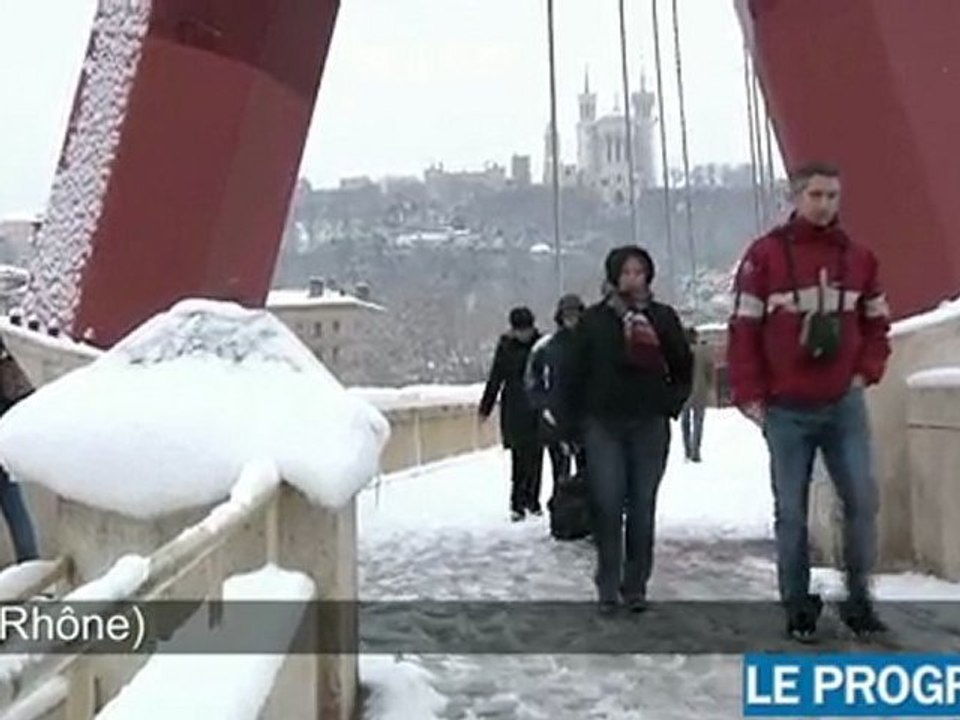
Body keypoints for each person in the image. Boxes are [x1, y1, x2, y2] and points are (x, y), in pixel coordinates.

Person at [727, 161, 892, 640]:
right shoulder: (764, 258)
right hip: (786, 408)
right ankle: (798, 606)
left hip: (843, 403)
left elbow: (878, 321)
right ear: (795, 197)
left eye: (833, 196)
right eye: (816, 195)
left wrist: (867, 371)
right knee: (792, 513)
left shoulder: (860, 260)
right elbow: (743, 331)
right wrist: (751, 394)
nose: (824, 205)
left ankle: (859, 600)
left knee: (862, 500)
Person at [562, 246, 693, 613]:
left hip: (649, 423)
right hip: (603, 423)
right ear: (614, 277)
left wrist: (671, 402)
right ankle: (607, 584)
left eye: (640, 272)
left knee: (642, 505)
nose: (633, 279)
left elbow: (682, 365)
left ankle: (635, 585)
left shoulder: (663, 317)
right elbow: (573, 373)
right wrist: (573, 424)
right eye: (627, 272)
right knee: (607, 503)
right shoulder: (594, 321)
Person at [479, 306, 544, 521]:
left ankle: (533, 501)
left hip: (537, 407)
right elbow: (496, 378)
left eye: (525, 329)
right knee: (519, 458)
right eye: (519, 330)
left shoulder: (541, 346)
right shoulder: (506, 347)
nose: (522, 334)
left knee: (535, 456)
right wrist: (485, 408)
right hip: (514, 409)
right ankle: (517, 504)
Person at [524, 294, 587, 493]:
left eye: (575, 314)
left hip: (588, 417)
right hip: (556, 418)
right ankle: (563, 513)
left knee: (590, 472)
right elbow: (531, 380)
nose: (571, 318)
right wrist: (543, 404)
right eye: (567, 314)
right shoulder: (546, 347)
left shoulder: (592, 344)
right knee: (560, 472)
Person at [0, 347, 38, 564]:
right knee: (18, 515)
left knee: (18, 516)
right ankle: (31, 571)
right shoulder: (5, 363)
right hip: (3, 451)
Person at [680, 326, 715, 462]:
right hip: (700, 392)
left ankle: (687, 450)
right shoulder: (703, 351)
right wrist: (710, 386)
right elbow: (710, 371)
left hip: (684, 392)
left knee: (685, 422)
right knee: (698, 422)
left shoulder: (681, 352)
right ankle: (696, 451)